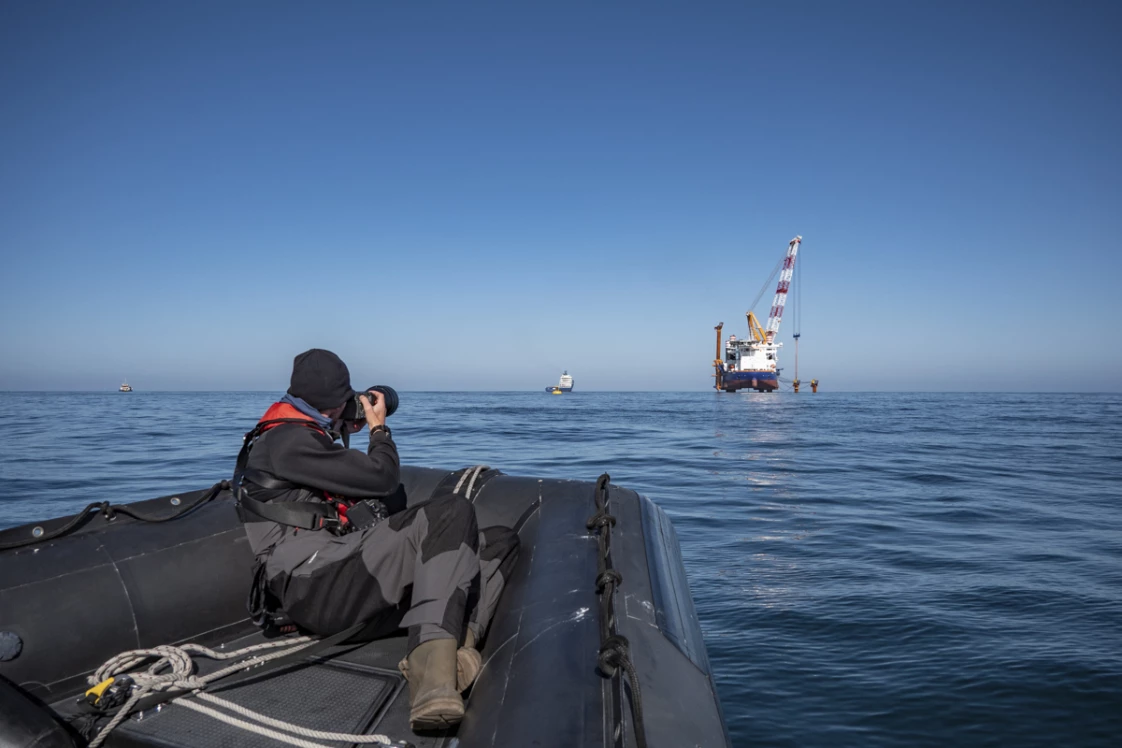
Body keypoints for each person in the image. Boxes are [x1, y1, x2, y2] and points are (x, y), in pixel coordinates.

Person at [233, 349, 518, 731]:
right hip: (312, 587)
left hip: (339, 573)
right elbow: (382, 477)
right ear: (335, 403)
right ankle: (432, 686)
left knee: (500, 542)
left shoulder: (305, 436)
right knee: (451, 510)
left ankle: (453, 653)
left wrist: (339, 427)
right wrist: (378, 430)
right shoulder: (287, 441)